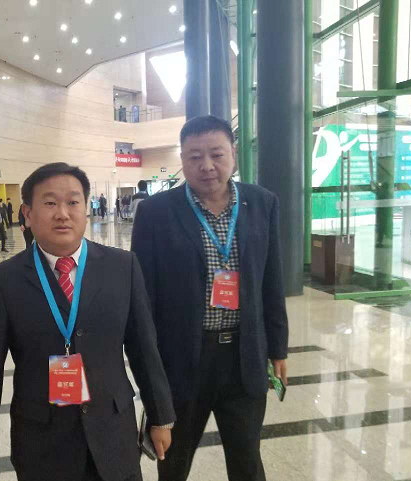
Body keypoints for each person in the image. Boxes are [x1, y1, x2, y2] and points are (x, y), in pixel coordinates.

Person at [0, 162, 175, 481]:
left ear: (85, 209)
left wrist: (161, 416)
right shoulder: (3, 280)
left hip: (114, 432)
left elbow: (144, 348)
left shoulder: (122, 267)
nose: (62, 213)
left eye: (73, 202)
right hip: (41, 442)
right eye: (50, 203)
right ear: (27, 214)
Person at [131, 115, 289, 481]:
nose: (207, 166)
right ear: (182, 159)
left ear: (233, 153)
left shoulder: (262, 203)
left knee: (247, 459)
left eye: (216, 154)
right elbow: (143, 297)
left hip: (243, 356)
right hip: (183, 359)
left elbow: (272, 281)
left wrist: (278, 348)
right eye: (195, 156)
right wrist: (151, 368)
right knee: (174, 462)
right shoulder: (156, 212)